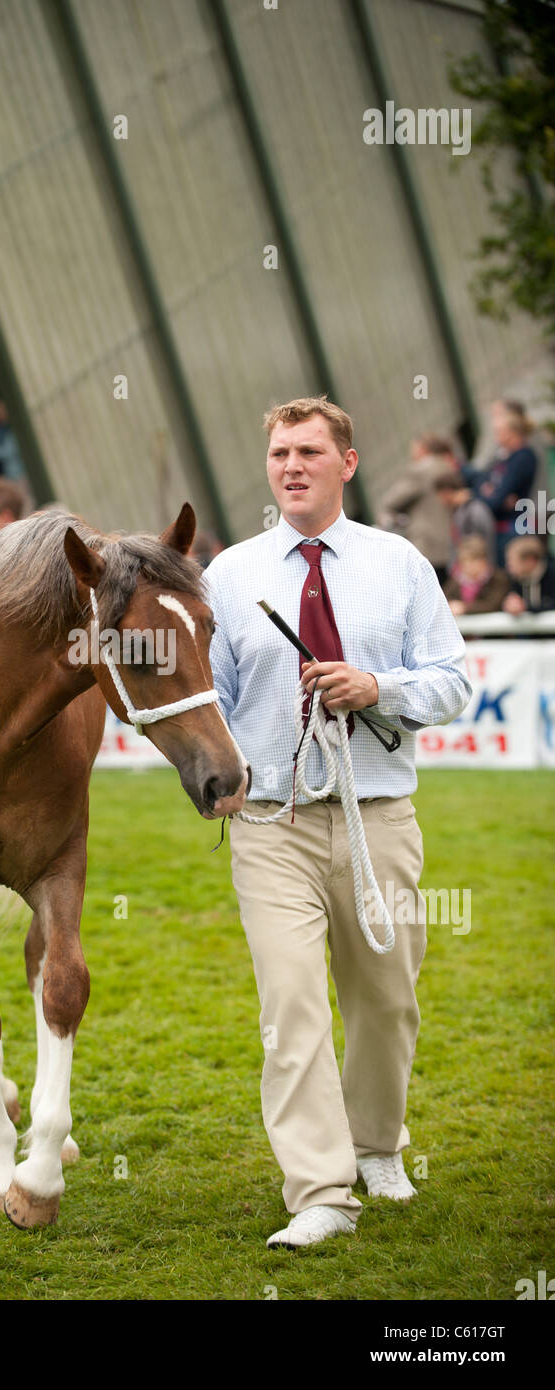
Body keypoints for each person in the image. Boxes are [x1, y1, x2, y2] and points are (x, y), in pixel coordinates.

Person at [203, 396, 471, 1249]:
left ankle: (377, 1147)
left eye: (309, 451)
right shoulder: (230, 574)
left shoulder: (399, 564)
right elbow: (210, 699)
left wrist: (377, 688)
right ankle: (319, 1189)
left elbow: (452, 680)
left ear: (345, 463)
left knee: (386, 1002)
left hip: (377, 819)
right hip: (270, 824)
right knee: (291, 1007)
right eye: (280, 451)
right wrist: (217, 778)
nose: (291, 466)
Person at [376, 435, 459, 583]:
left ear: (423, 450)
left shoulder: (420, 471)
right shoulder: (447, 467)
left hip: (426, 544)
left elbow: (391, 501)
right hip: (449, 545)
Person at [466, 401, 539, 565]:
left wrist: (490, 494)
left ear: (511, 433)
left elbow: (496, 499)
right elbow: (479, 482)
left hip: (514, 529)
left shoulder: (523, 458)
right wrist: (485, 493)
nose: (496, 437)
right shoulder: (502, 456)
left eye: (499, 432)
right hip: (497, 529)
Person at [432, 470, 497, 569]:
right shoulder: (461, 510)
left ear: (446, 492)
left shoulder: (470, 512)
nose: (440, 501)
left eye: (440, 496)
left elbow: (473, 547)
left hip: (475, 573)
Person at [442, 535, 510, 616]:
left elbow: (493, 605)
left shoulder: (498, 579)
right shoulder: (455, 581)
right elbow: (444, 600)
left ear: (483, 561)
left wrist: (464, 608)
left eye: (472, 561)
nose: (467, 565)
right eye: (463, 561)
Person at [503, 535, 555, 615]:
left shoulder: (551, 575)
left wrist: (525, 607)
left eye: (511, 562)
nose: (508, 566)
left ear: (530, 561)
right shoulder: (515, 579)